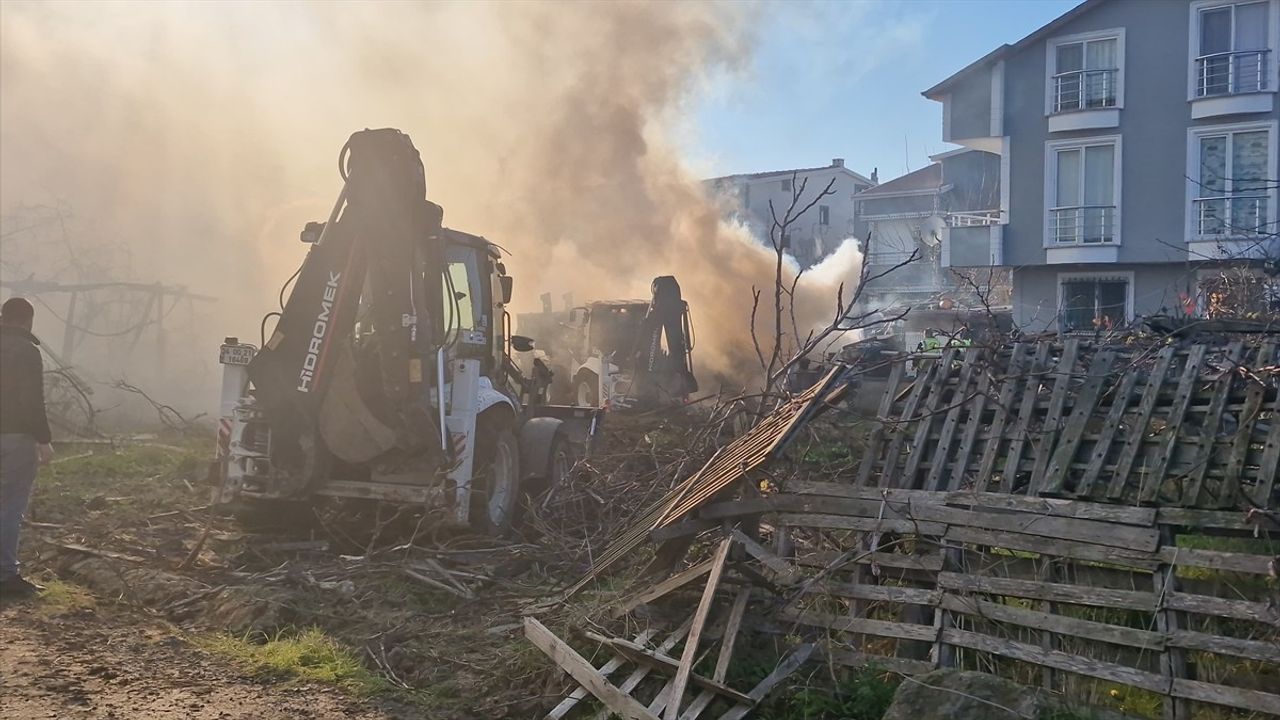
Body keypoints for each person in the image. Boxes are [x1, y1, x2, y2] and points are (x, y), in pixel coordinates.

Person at [0, 296, 54, 601]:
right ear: (28, 320)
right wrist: (43, 440)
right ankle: (6, 575)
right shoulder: (27, 352)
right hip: (16, 437)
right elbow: (32, 401)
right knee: (10, 504)